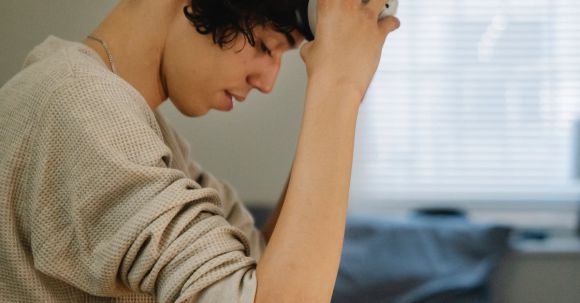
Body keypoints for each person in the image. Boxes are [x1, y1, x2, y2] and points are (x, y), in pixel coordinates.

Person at [0, 0, 400, 302]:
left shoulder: (135, 127)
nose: (267, 81)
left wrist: (339, 103)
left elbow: (262, 268)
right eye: (264, 45)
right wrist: (337, 87)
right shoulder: (79, 106)